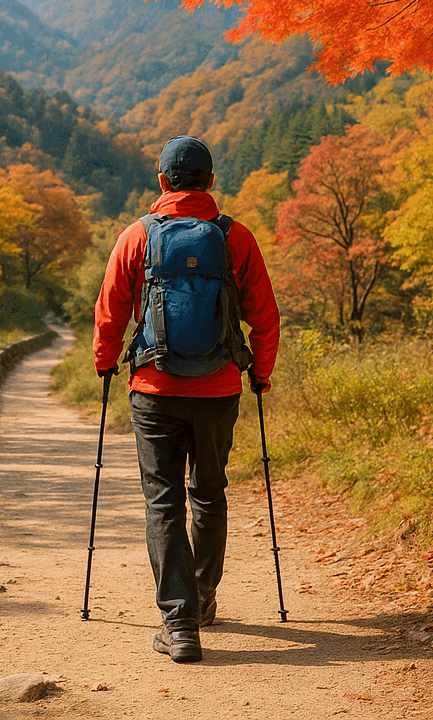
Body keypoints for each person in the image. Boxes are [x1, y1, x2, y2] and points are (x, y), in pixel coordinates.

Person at [93, 135, 280, 664]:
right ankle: (202, 599)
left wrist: (106, 362)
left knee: (163, 502)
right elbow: (264, 316)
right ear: (211, 183)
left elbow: (109, 310)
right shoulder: (235, 237)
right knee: (209, 493)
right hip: (219, 388)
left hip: (154, 391)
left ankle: (179, 624)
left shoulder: (137, 236)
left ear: (162, 183)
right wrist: (259, 374)